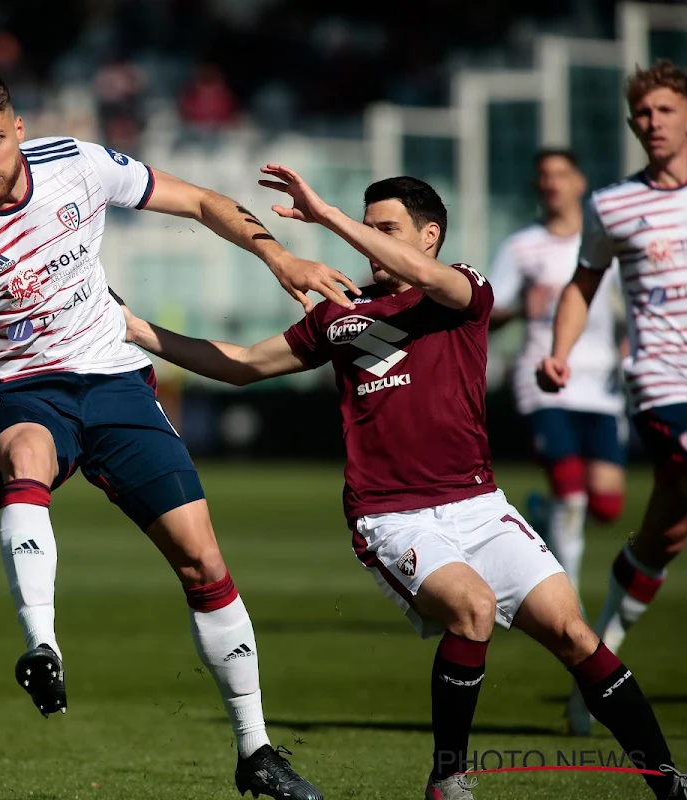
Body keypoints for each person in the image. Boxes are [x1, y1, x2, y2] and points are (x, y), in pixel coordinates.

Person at [121, 169, 686, 800]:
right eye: (366, 228)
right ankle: (448, 778)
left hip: (478, 505)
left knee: (575, 634)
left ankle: (667, 781)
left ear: (429, 236)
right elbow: (248, 365)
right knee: (471, 610)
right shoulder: (341, 313)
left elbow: (430, 279)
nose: (367, 241)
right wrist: (141, 332)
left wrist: (331, 216)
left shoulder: (462, 291)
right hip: (392, 517)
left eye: (382, 229)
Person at [0, 71, 356, 800]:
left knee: (202, 560)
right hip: (19, 390)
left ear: (19, 130)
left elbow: (197, 201)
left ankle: (255, 752)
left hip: (115, 379)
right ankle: (42, 644)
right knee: (28, 456)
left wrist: (278, 256)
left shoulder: (80, 166)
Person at [539, 59, 687, 736]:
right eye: (643, 114)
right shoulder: (614, 204)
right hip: (661, 381)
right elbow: (583, 285)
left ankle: (594, 670)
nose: (651, 124)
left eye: (664, 111)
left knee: (664, 536)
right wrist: (560, 352)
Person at [489, 149, 627, 594]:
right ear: (537, 186)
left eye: (561, 174)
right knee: (570, 486)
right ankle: (568, 597)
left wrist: (630, 340)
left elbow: (629, 304)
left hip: (601, 381)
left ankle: (544, 516)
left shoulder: (604, 243)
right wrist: (514, 311)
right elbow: (486, 312)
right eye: (544, 175)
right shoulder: (520, 247)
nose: (552, 183)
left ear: (580, 183)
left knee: (605, 505)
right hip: (543, 377)